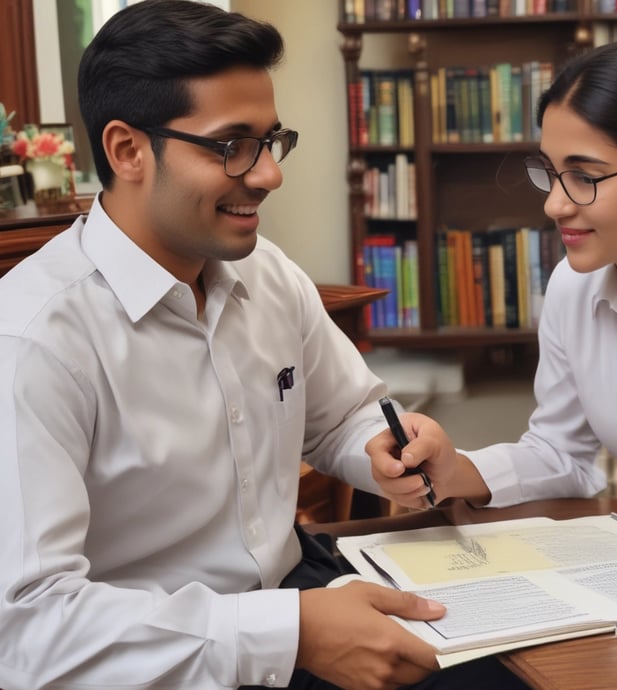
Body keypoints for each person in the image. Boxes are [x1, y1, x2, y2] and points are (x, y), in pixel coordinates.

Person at [0, 2, 526, 689]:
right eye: (231, 146)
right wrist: (287, 636)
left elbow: (342, 417)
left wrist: (381, 449)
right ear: (128, 150)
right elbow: (28, 631)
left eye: (271, 140)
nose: (269, 174)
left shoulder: (267, 273)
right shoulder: (34, 341)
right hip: (153, 660)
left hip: (296, 595)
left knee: (521, 668)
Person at [368, 39, 617, 568]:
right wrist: (453, 468)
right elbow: (563, 455)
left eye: (585, 177)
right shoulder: (572, 289)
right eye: (551, 172)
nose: (554, 203)